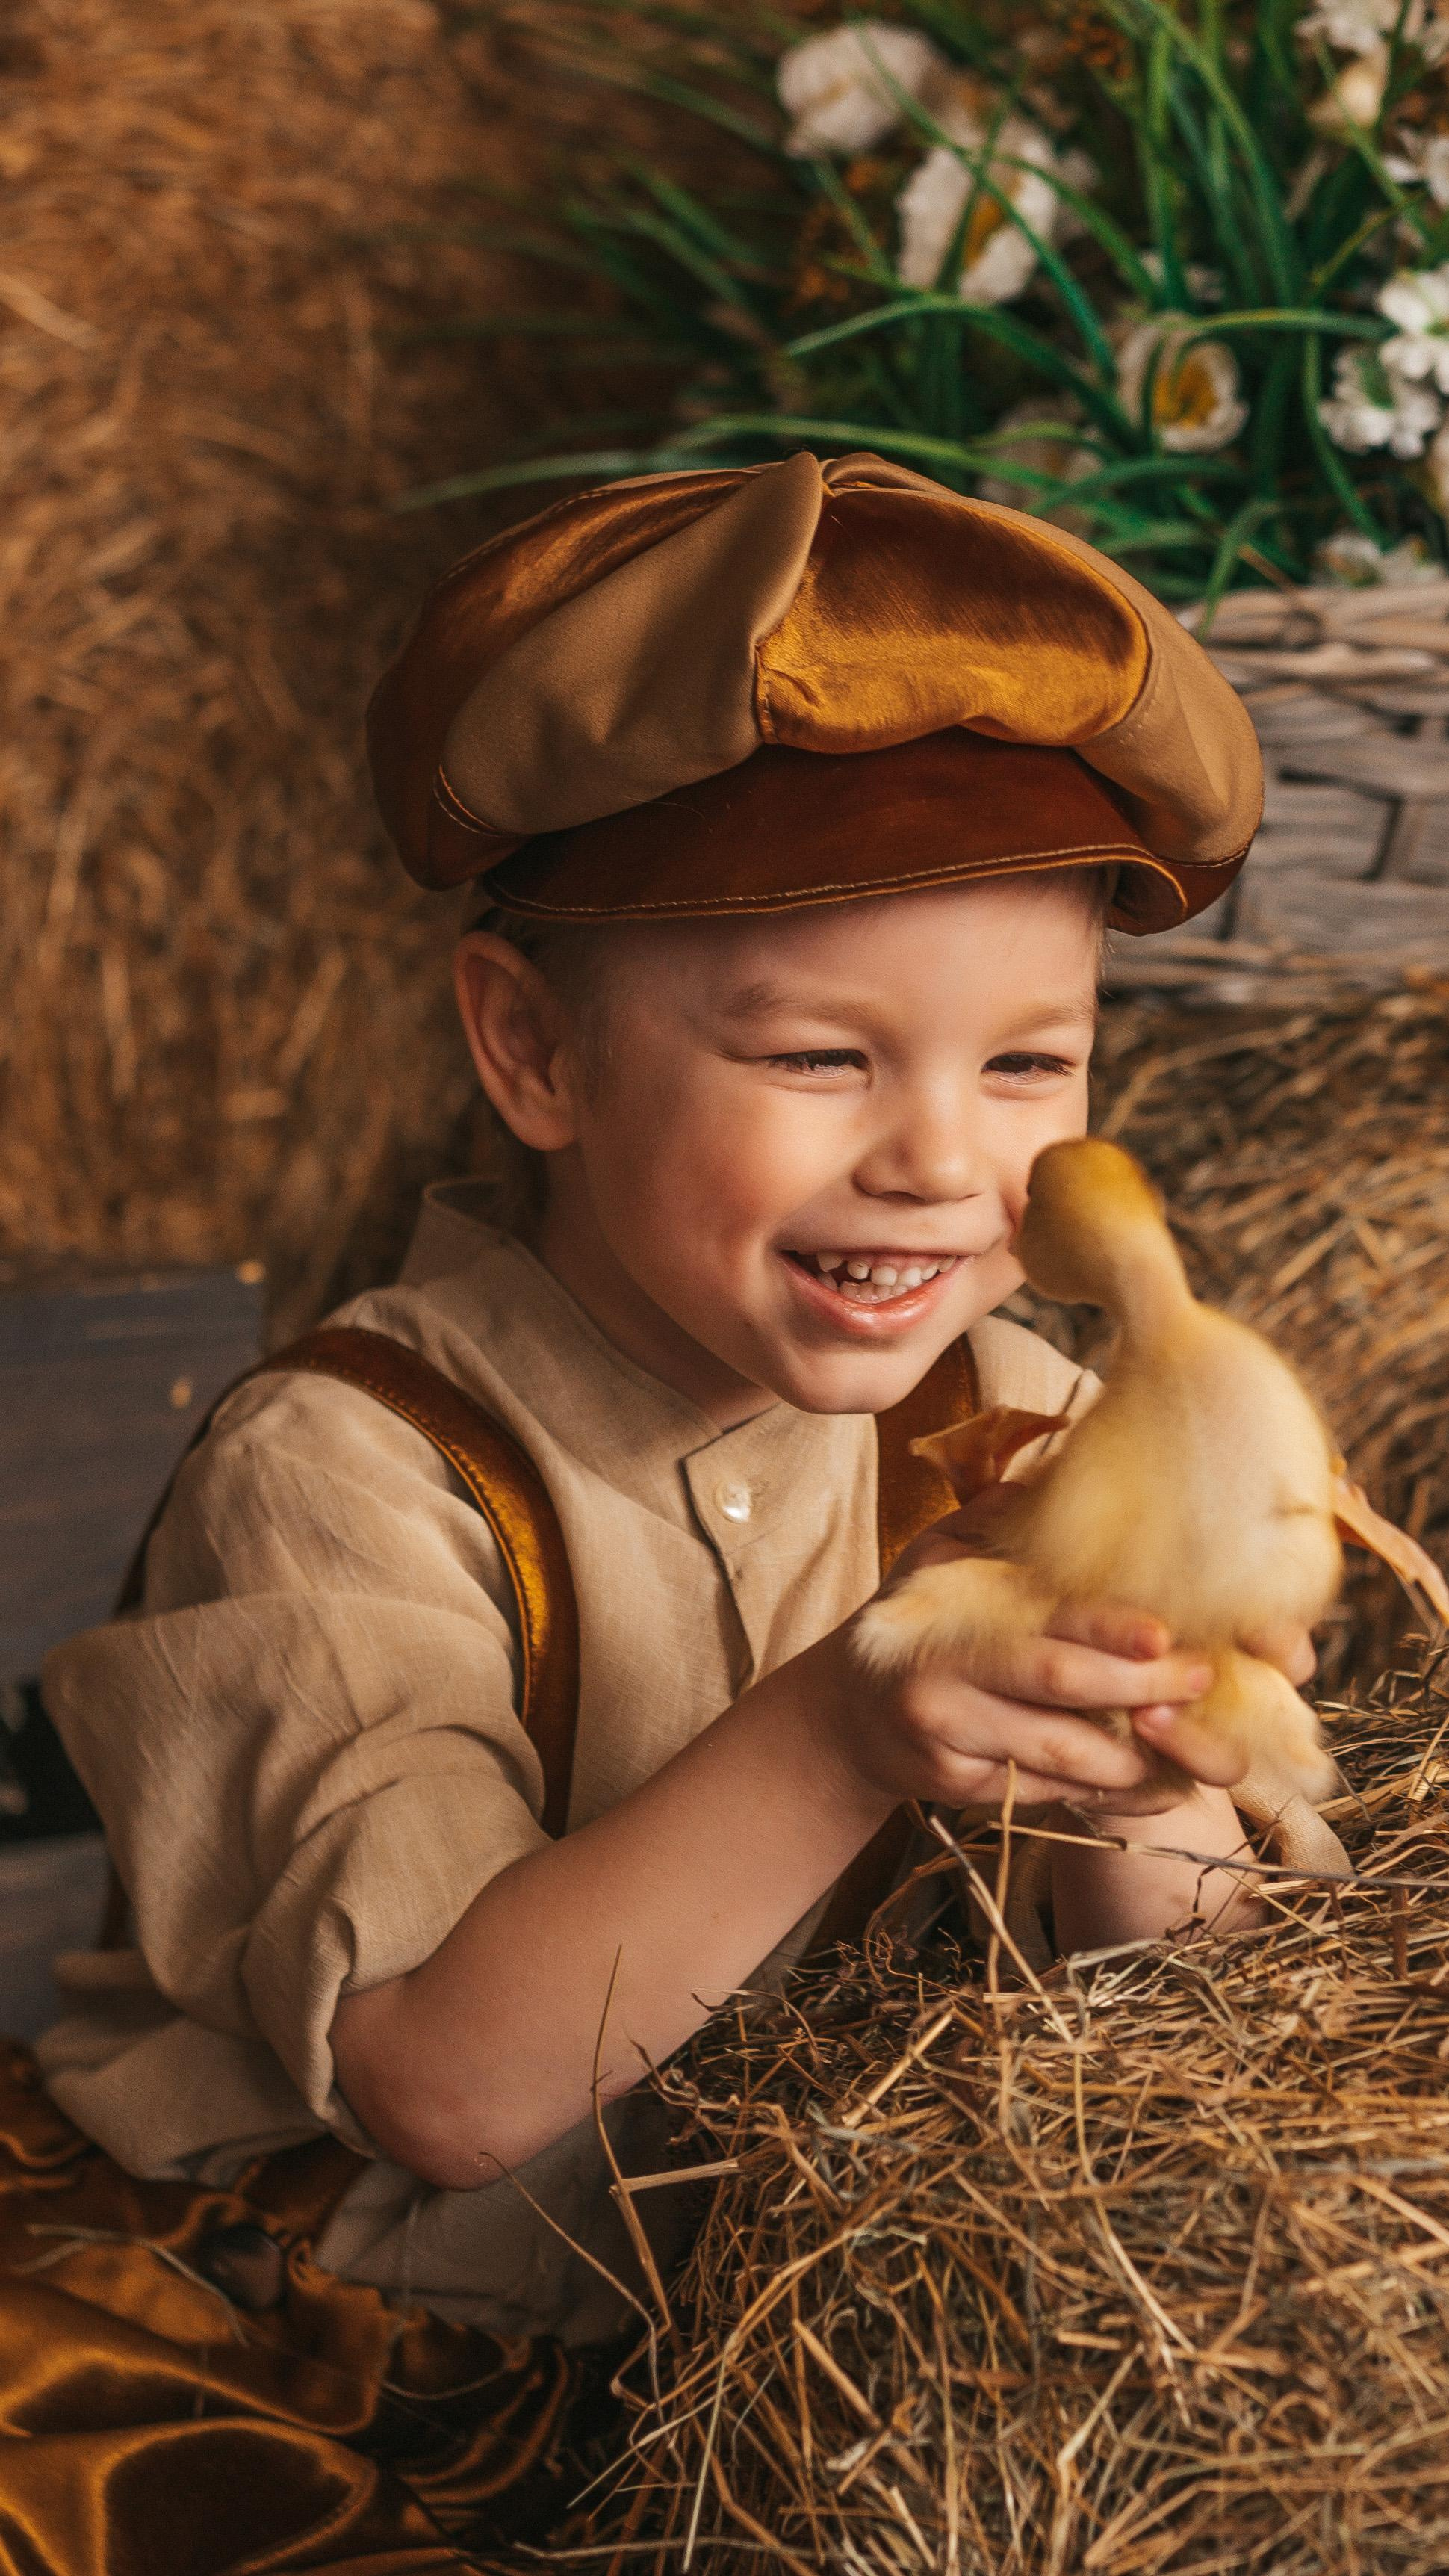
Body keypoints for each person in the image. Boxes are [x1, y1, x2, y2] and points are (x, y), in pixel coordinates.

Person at [13, 451, 1300, 2567]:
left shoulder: (1029, 1432)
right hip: (345, 2368)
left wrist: (1127, 1773)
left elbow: (1187, 2006)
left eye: (1025, 1067)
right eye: (820, 1059)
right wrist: (848, 1722)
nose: (941, 1166)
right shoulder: (349, 1470)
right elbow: (441, 2086)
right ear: (532, 1050)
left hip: (804, 2368)